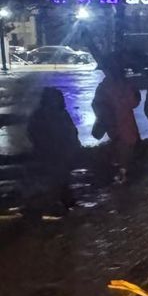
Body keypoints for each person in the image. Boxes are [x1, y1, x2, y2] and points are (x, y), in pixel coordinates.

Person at [25, 87, 81, 218]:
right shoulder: (45, 116)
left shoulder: (44, 115)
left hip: (56, 153)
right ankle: (59, 202)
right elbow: (33, 133)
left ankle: (61, 201)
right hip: (52, 153)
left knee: (59, 178)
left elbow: (32, 133)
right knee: (56, 178)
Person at [91, 57, 141, 184]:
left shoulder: (104, 86)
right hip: (126, 121)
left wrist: (103, 116)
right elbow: (134, 102)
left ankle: (119, 170)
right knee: (127, 144)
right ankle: (122, 171)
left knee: (119, 143)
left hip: (113, 122)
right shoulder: (126, 85)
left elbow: (96, 104)